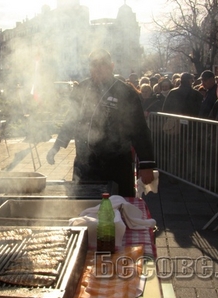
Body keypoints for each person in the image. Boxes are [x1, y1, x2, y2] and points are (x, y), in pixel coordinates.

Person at [46, 49, 155, 197]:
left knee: (116, 210)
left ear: (111, 66)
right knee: (84, 208)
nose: (98, 68)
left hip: (116, 164)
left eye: (102, 64)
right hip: (85, 163)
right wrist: (57, 145)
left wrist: (147, 164)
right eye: (94, 64)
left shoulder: (125, 92)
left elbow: (140, 130)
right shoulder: (81, 89)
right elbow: (71, 120)